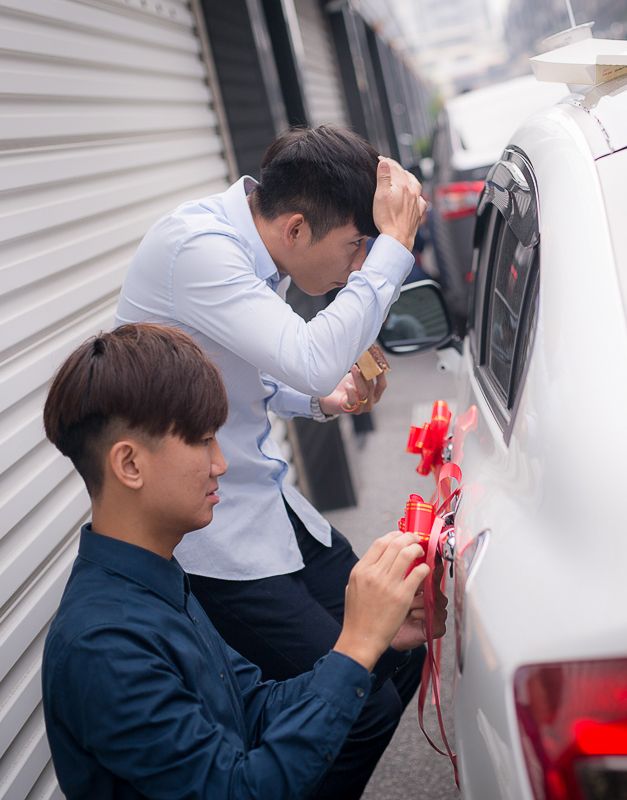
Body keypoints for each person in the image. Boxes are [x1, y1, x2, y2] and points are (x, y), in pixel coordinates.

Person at [115, 125, 443, 799]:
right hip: (213, 540)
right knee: (360, 707)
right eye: (356, 247)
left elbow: (261, 374)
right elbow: (307, 352)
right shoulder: (198, 250)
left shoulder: (253, 250)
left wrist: (326, 396)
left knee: (403, 642)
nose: (358, 268)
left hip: (266, 507)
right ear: (296, 227)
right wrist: (396, 251)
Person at [41, 323, 439, 799]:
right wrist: (353, 648)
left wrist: (375, 644)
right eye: (202, 440)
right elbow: (239, 789)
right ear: (129, 464)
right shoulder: (104, 645)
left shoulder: (154, 581)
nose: (221, 465)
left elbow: (253, 706)